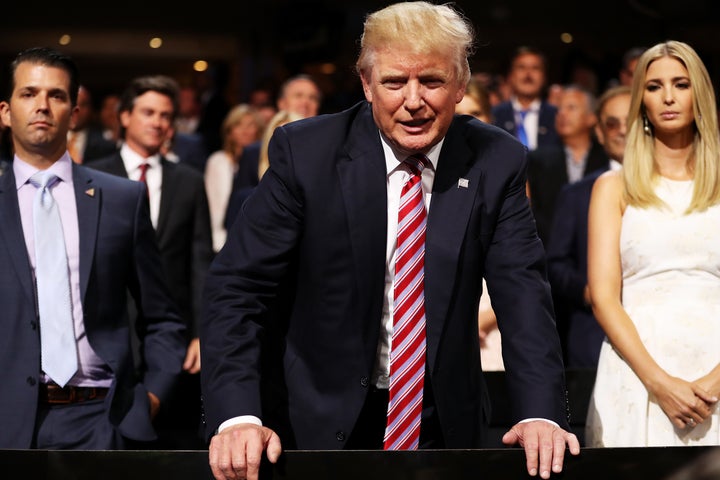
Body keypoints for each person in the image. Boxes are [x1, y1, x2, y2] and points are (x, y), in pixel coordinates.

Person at [200, 3, 579, 480]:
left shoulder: (495, 159)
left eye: (433, 82)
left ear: (461, 86)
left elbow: (524, 294)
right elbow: (237, 290)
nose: (414, 100)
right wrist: (237, 417)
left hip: (442, 425)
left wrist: (542, 413)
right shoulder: (307, 153)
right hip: (311, 422)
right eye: (395, 82)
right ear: (366, 84)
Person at [0, 46, 187, 449]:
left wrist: (150, 398)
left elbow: (162, 316)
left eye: (57, 95)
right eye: (29, 93)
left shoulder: (122, 198)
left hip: (103, 419)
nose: (43, 106)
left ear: (75, 112)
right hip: (8, 421)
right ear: (4, 111)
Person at [585, 40, 720, 447]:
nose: (668, 97)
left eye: (680, 84)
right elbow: (604, 298)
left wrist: (715, 382)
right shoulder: (612, 187)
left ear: (699, 92)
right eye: (654, 86)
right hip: (638, 369)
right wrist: (659, 383)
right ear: (640, 98)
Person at [90, 74, 214, 449]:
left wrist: (201, 331)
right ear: (124, 116)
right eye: (147, 112)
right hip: (106, 332)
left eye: (165, 115)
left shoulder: (190, 181)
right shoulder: (92, 176)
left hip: (170, 336)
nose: (158, 122)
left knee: (167, 444)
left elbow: (200, 259)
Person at [546, 85, 631, 369]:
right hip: (593, 340)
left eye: (631, 121)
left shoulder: (674, 189)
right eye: (612, 123)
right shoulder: (578, 192)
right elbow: (555, 264)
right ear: (599, 133)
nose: (622, 130)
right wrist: (592, 292)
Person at [526, 84, 608, 246]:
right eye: (559, 109)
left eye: (571, 108)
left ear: (591, 117)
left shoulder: (606, 159)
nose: (562, 114)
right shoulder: (537, 160)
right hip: (548, 250)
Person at [492, 46, 560, 151]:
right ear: (510, 76)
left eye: (535, 68)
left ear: (544, 77)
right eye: (521, 67)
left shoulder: (557, 117)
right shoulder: (495, 115)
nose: (528, 74)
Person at [66, 85, 118, 164]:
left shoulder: (106, 145)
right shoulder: (50, 139)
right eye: (73, 104)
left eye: (83, 105)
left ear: (91, 109)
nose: (76, 110)